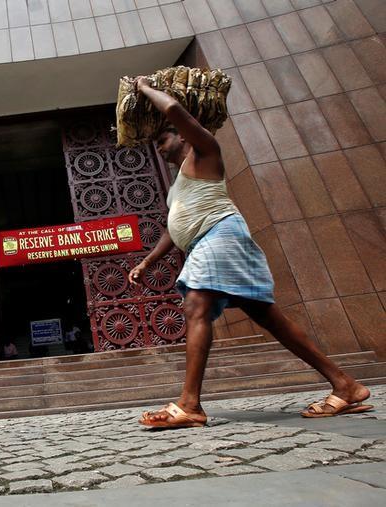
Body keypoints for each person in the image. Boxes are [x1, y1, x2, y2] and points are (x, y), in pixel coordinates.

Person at [128, 76, 373, 429]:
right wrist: (148, 261)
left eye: (162, 140)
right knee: (270, 318)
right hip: (207, 241)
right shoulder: (180, 181)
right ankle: (346, 385)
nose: (160, 149)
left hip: (219, 235)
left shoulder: (206, 152)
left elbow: (174, 109)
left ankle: (189, 404)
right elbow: (174, 227)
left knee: (196, 304)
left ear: (182, 134)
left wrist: (145, 87)